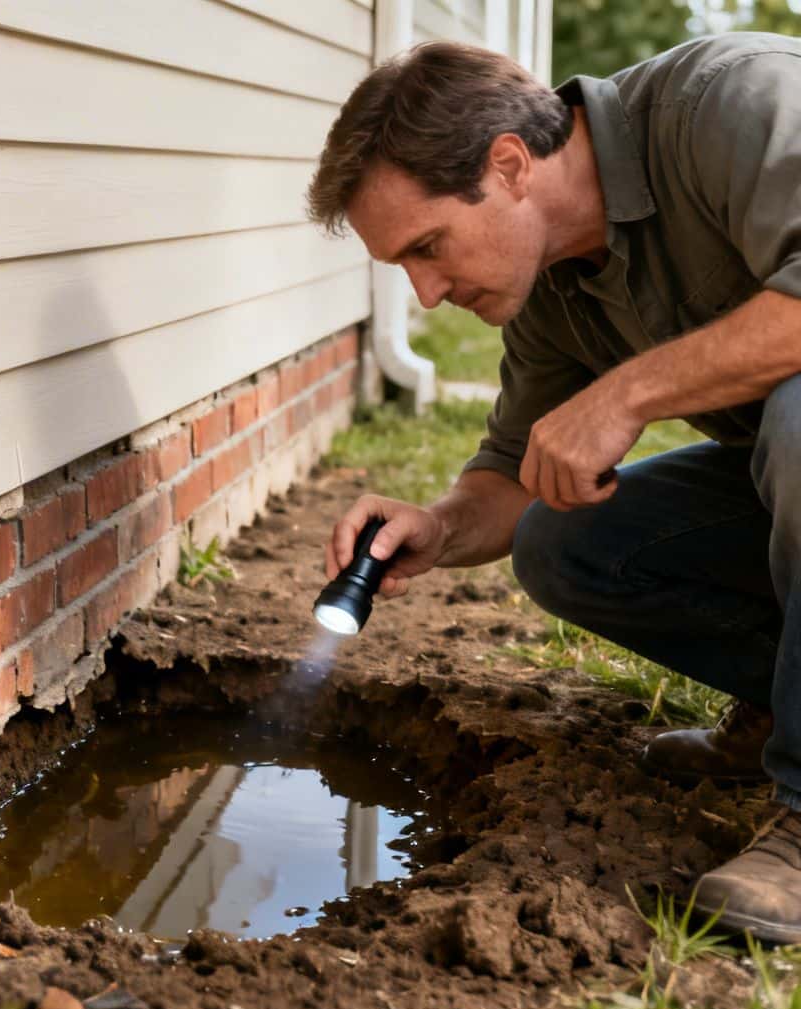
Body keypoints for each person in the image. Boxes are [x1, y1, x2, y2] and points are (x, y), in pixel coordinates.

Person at [305, 34, 801, 942]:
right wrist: (440, 526)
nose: (422, 292)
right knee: (566, 543)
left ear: (508, 164)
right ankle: (788, 706)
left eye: (427, 247)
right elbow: (509, 476)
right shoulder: (552, 290)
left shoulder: (733, 105)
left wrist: (628, 394)